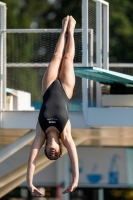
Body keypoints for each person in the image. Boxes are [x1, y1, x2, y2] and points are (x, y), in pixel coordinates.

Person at [26, 15, 79, 196]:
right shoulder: (66, 135)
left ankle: (63, 28)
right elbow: (73, 158)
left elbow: (32, 160)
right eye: (56, 154)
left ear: (47, 149)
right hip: (65, 91)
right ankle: (71, 30)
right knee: (67, 58)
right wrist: (75, 181)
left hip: (48, 89)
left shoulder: (40, 134)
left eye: (50, 154)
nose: (53, 152)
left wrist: (30, 183)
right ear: (59, 149)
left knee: (57, 56)